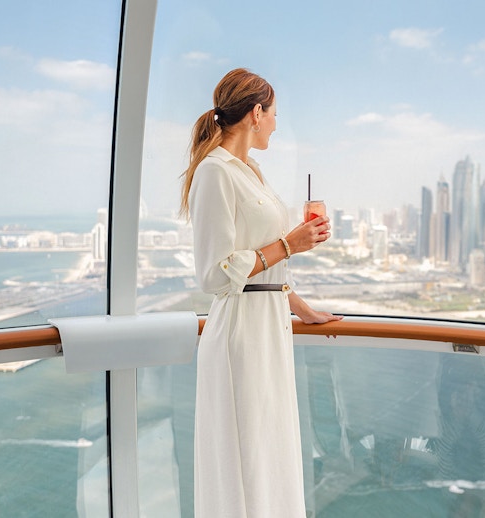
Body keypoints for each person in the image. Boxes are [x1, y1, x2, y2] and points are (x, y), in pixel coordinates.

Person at [180, 68, 343, 517]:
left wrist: (300, 307)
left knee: (269, 452)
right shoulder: (216, 173)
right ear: (256, 113)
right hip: (242, 334)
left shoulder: (251, 171)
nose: (275, 123)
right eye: (273, 115)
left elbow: (263, 270)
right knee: (247, 454)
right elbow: (215, 274)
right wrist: (290, 243)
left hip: (268, 326)